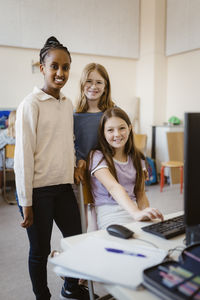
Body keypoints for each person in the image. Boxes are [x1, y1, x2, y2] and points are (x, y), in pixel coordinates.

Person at [14, 37, 91, 300]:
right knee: (40, 249)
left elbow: (66, 142)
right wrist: (26, 202)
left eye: (66, 67)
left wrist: (74, 167)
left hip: (62, 186)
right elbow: (22, 157)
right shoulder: (30, 105)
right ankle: (42, 297)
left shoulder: (67, 104)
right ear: (42, 67)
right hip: (37, 192)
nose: (61, 73)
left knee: (76, 239)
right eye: (55, 66)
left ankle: (70, 285)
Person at [88, 107, 164, 230]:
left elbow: (140, 193)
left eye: (122, 128)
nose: (117, 134)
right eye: (110, 130)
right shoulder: (97, 156)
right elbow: (114, 187)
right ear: (103, 133)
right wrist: (136, 213)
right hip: (110, 213)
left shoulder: (138, 158)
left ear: (130, 128)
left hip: (134, 210)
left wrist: (146, 213)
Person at [74, 63, 115, 225]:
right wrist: (77, 161)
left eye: (99, 82)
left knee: (104, 218)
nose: (93, 86)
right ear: (82, 84)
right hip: (81, 172)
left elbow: (126, 142)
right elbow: (70, 144)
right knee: (83, 221)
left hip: (107, 171)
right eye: (89, 81)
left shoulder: (113, 112)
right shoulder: (74, 116)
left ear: (106, 86)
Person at [0, 110, 16, 192]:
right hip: (24, 163)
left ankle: (1, 187)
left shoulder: (4, 134)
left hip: (8, 164)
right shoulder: (25, 134)